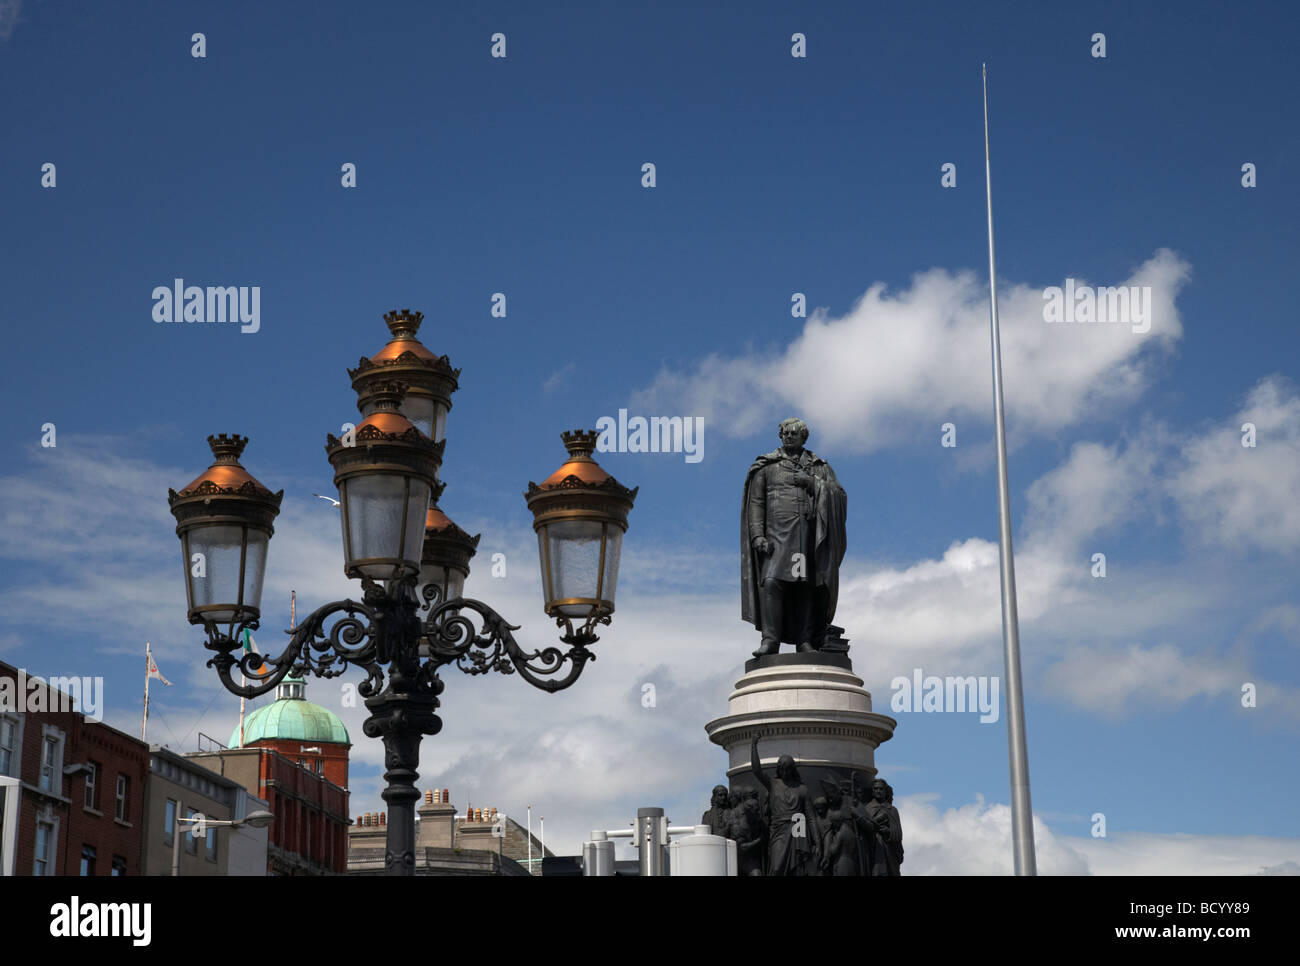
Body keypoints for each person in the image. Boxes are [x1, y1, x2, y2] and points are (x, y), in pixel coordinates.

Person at [741, 418, 847, 656]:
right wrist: (757, 536)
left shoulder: (819, 467)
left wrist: (812, 483)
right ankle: (770, 640)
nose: (788, 437)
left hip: (806, 540)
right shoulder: (767, 467)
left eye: (794, 434)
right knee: (771, 583)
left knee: (805, 588)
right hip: (776, 541)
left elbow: (838, 495)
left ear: (803, 437)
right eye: (785, 434)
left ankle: (804, 640)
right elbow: (756, 503)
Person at [750, 735, 815, 875]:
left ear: (792, 769)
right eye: (782, 769)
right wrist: (753, 745)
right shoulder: (773, 784)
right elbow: (757, 771)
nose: (785, 772)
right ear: (778, 769)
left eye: (787, 769)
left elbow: (810, 818)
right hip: (778, 830)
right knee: (776, 868)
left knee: (798, 868)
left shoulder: (802, 789)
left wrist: (817, 843)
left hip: (798, 828)